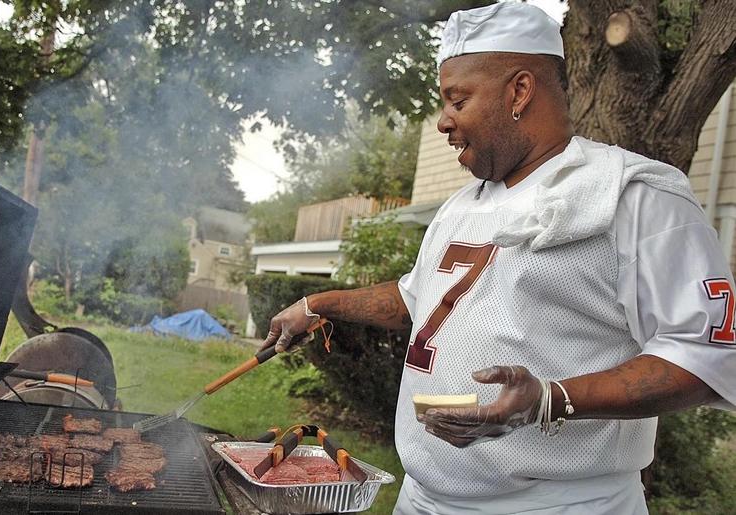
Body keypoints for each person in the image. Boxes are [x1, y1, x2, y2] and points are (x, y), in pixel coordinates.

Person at [260, 3, 736, 514]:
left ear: (520, 91)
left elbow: (708, 355)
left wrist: (551, 399)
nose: (443, 121)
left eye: (457, 100)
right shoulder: (462, 205)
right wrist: (319, 303)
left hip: (558, 506)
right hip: (423, 498)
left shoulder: (633, 195)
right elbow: (417, 299)